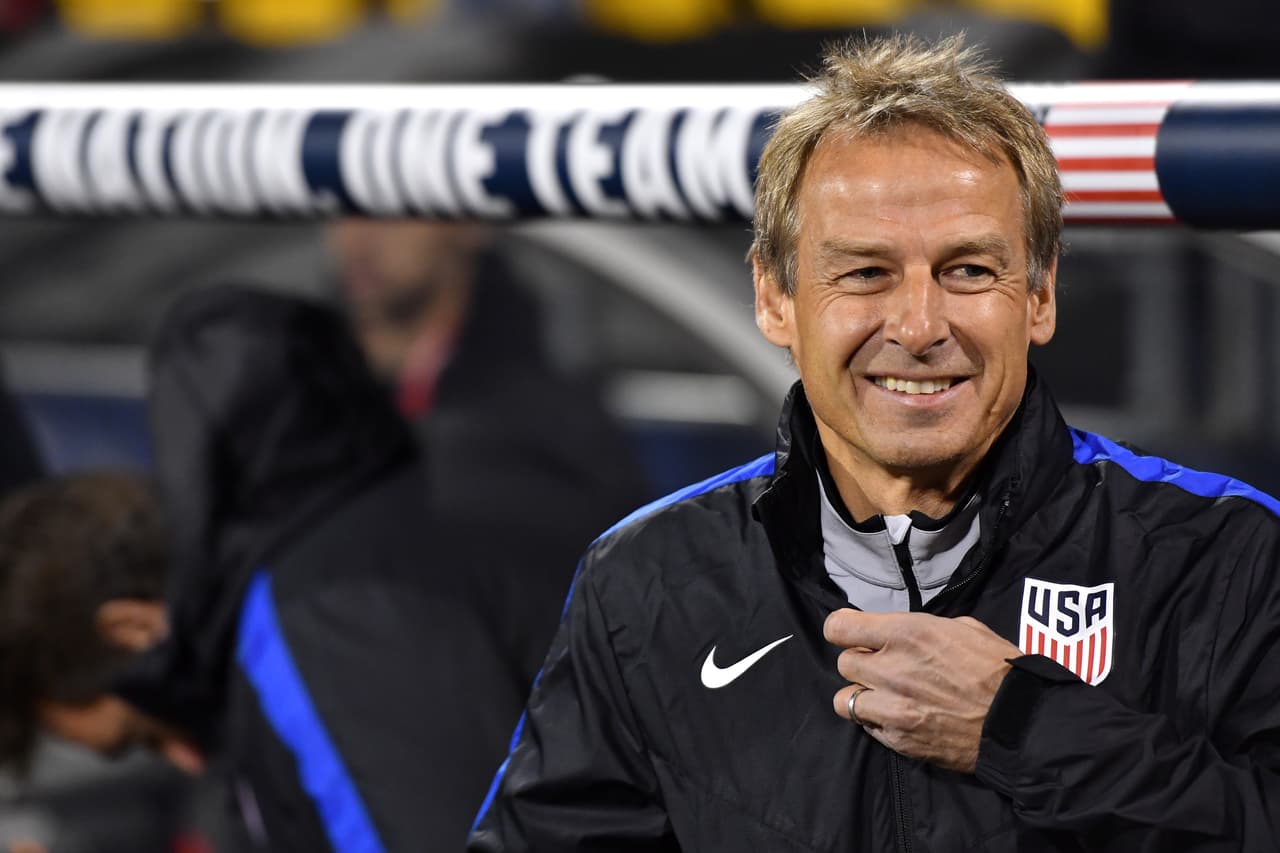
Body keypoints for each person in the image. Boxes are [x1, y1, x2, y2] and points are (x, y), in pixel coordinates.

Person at [468, 34, 1280, 851]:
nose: (921, 327)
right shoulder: (650, 582)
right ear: (775, 297)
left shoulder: (1224, 561)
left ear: (1039, 294)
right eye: (865, 273)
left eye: (967, 270)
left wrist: (1025, 727)